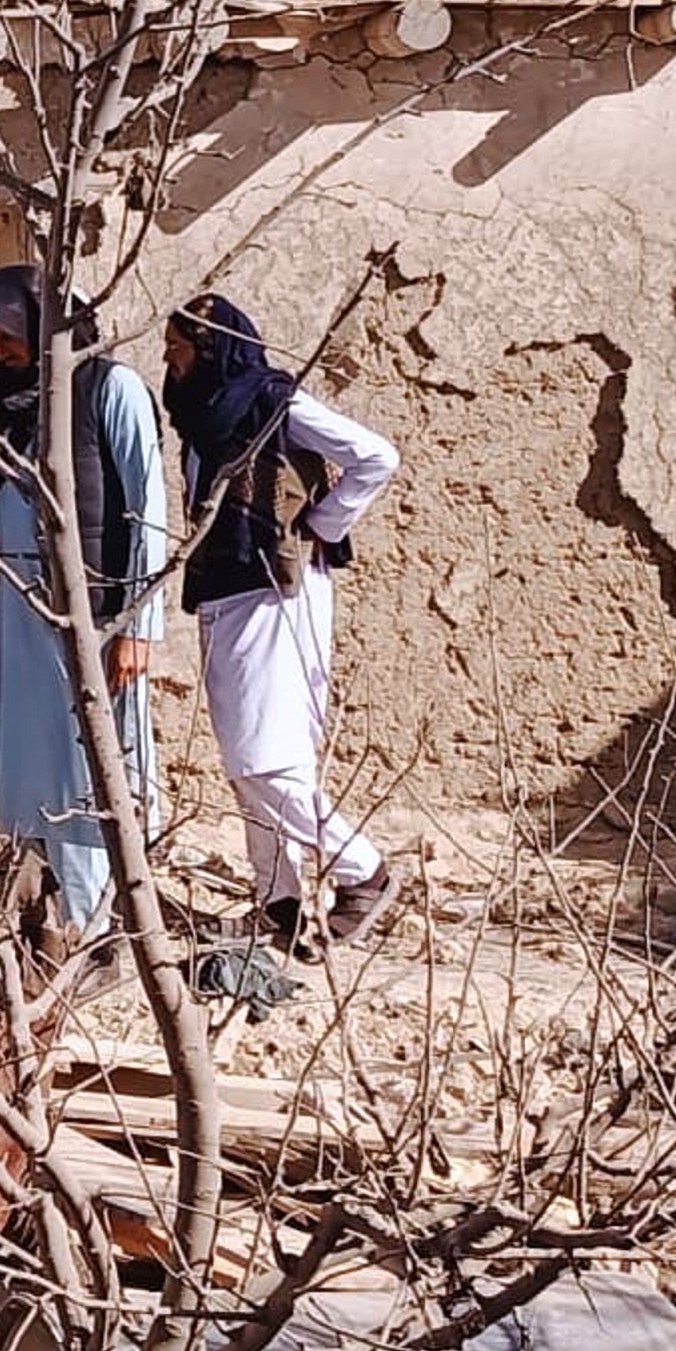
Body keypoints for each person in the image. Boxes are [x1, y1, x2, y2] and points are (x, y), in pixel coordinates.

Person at [165, 293, 403, 951]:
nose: (169, 362)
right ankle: (279, 901)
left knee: (267, 758)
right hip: (224, 590)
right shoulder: (200, 423)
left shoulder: (272, 401)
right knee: (245, 760)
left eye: (179, 349)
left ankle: (363, 873)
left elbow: (374, 457)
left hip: (276, 590)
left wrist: (317, 526)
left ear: (212, 350)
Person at [0, 267, 171, 942]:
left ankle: (90, 927)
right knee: (19, 759)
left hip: (92, 616)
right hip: (22, 615)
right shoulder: (16, 406)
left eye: (8, 337)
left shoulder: (111, 389)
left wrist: (139, 625)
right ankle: (41, 900)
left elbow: (148, 507)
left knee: (84, 768)